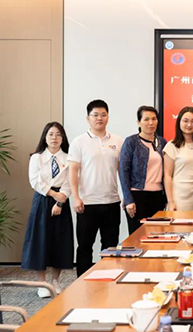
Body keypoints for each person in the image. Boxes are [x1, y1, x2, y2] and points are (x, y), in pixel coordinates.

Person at [68, 99, 123, 277]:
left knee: (110, 247)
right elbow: (73, 171)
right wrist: (76, 197)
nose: (99, 118)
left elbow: (122, 171)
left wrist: (125, 196)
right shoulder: (79, 141)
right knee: (85, 246)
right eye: (95, 115)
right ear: (88, 118)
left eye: (103, 115)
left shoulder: (117, 141)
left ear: (108, 117)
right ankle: (82, 283)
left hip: (112, 202)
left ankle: (108, 279)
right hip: (87, 203)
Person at [21, 122, 73, 298]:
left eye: (58, 134)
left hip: (62, 201)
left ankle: (55, 281)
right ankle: (42, 283)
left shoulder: (68, 158)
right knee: (40, 239)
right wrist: (53, 194)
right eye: (51, 134)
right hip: (43, 200)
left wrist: (60, 201)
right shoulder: (36, 158)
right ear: (45, 137)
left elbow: (70, 181)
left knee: (60, 240)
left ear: (63, 138)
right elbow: (34, 180)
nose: (54, 138)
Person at [119, 105, 167, 235]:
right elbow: (123, 171)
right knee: (137, 237)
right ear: (138, 122)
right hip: (137, 197)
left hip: (158, 196)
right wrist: (128, 199)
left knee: (157, 237)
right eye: (146, 119)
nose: (151, 123)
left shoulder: (162, 142)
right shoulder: (131, 142)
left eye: (154, 119)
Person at [164, 106, 193, 211]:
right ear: (179, 122)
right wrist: (171, 201)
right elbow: (168, 176)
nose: (189, 125)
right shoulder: (171, 146)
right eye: (185, 121)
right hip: (179, 196)